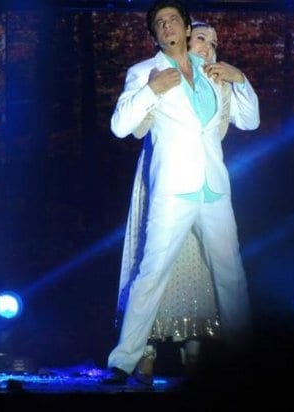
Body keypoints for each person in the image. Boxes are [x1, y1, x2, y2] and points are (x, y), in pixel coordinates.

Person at [102, 0, 260, 386]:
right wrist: (152, 91)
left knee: (231, 275)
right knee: (152, 273)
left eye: (174, 19)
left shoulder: (212, 73)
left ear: (187, 28)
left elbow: (251, 121)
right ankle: (124, 360)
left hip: (214, 189)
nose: (168, 26)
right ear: (155, 34)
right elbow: (120, 126)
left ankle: (246, 360)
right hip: (173, 190)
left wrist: (240, 79)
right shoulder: (144, 72)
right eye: (160, 23)